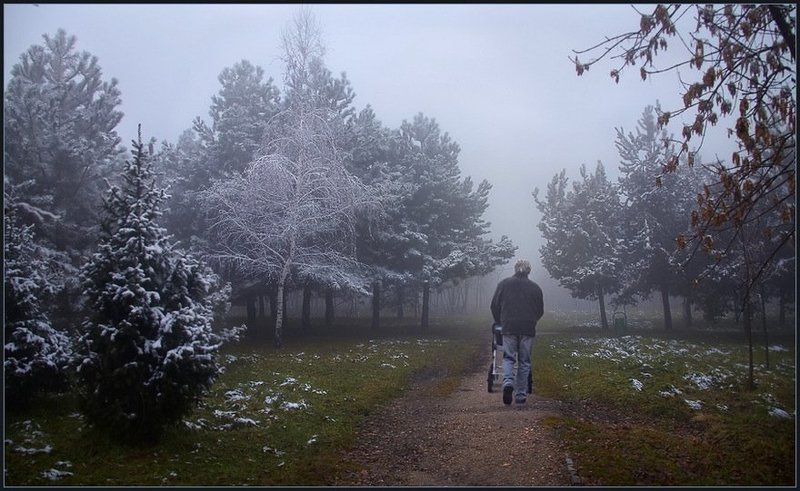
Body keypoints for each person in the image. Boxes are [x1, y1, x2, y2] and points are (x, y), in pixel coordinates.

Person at [490, 259, 544, 405]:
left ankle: (508, 383)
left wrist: (500, 321)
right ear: (529, 271)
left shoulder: (503, 284)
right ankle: (520, 396)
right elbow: (540, 310)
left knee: (508, 358)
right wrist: (532, 320)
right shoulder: (535, 288)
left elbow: (494, 305)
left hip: (508, 326)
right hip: (527, 328)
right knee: (524, 361)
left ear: (515, 269)